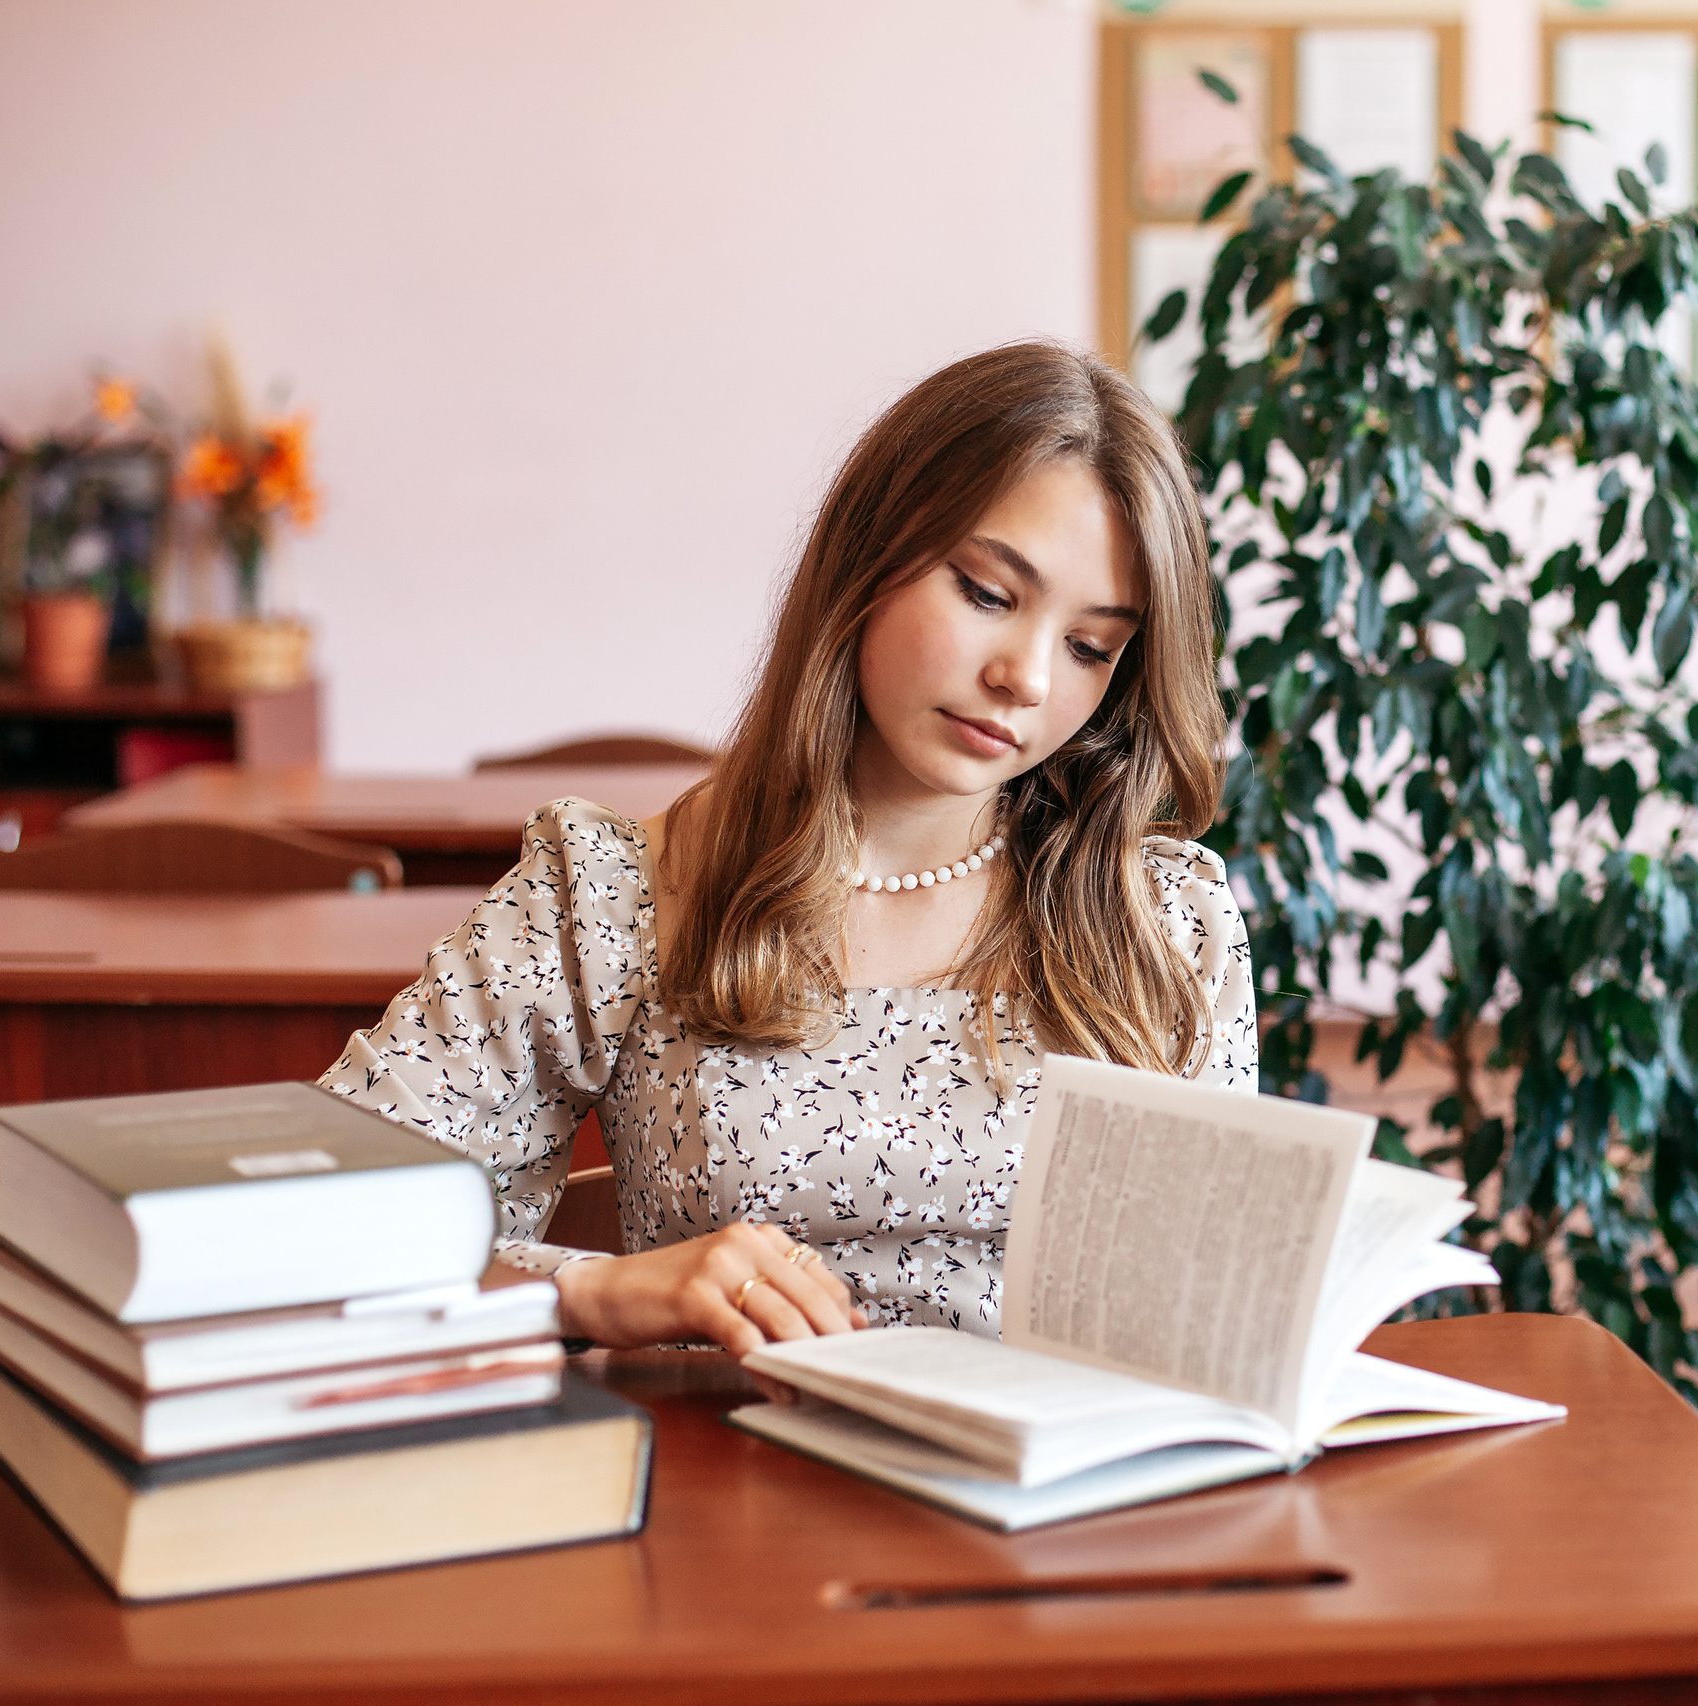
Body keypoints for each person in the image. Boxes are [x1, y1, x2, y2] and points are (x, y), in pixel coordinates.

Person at [319, 341, 1257, 1373]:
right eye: (988, 592)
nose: (1024, 676)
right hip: (732, 1499)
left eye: (1090, 646)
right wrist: (594, 1288)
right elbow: (321, 1229)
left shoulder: (1165, 919)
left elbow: (1214, 1327)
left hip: (1067, 1517)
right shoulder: (614, 892)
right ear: (869, 556)